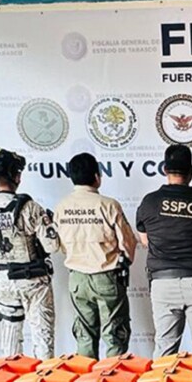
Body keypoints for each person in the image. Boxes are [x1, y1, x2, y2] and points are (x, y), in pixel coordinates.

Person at [135, 145, 192, 357]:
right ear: (191, 171)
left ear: (165, 169)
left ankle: (162, 381)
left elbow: (145, 240)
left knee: (165, 350)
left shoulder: (150, 202)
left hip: (163, 284)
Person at [0, 148, 60, 361]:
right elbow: (52, 245)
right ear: (16, 175)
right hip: (32, 280)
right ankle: (45, 379)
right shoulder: (30, 207)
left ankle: (12, 378)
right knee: (42, 338)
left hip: (3, 280)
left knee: (10, 340)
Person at [53, 153, 137, 359]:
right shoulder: (109, 205)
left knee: (84, 337)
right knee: (115, 335)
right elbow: (127, 243)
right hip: (107, 277)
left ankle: (86, 378)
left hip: (76, 279)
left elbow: (58, 244)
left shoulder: (62, 207)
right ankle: (113, 377)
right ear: (97, 176)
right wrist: (126, 260)